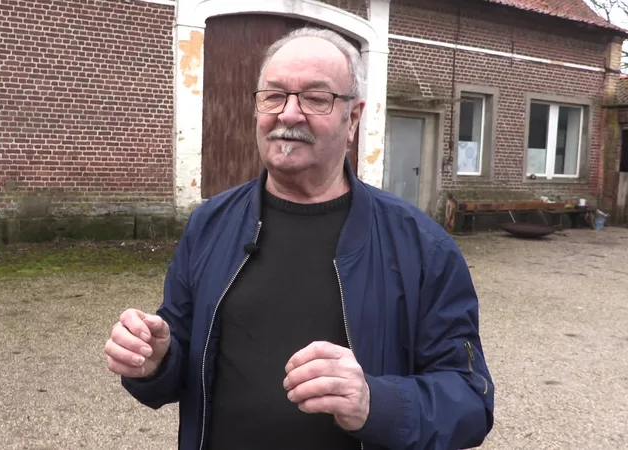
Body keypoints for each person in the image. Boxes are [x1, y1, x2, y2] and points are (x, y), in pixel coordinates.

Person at [104, 26, 495, 450]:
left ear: (354, 118)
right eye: (273, 95)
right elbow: (180, 355)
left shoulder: (422, 247)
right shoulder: (210, 224)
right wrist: (155, 359)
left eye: (315, 97)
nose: (289, 114)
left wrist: (374, 402)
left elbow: (471, 401)